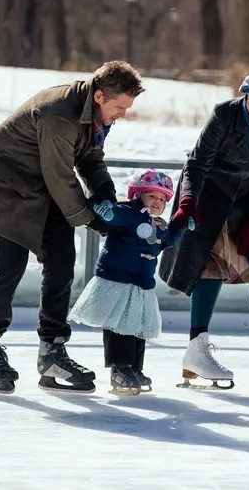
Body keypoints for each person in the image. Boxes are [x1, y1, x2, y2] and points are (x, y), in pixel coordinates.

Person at [0, 60, 145, 395]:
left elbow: (89, 158)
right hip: (7, 183)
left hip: (43, 186)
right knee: (10, 267)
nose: (122, 114)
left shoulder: (94, 114)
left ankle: (52, 351)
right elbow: (60, 176)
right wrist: (91, 218)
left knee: (62, 263)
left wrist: (105, 195)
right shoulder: (59, 114)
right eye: (119, 107)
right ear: (100, 96)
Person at [158, 64, 249, 389]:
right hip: (207, 192)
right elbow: (198, 162)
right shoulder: (226, 115)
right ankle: (196, 349)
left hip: (245, 195)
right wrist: (187, 203)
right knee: (210, 265)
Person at [68, 169, 192, 395]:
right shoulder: (129, 212)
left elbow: (167, 240)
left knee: (137, 327)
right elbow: (115, 216)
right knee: (119, 325)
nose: (157, 202)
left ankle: (135, 368)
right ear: (138, 195)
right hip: (118, 279)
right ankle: (119, 368)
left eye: (162, 199)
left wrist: (182, 223)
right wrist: (105, 211)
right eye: (152, 196)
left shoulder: (159, 224)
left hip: (141, 283)